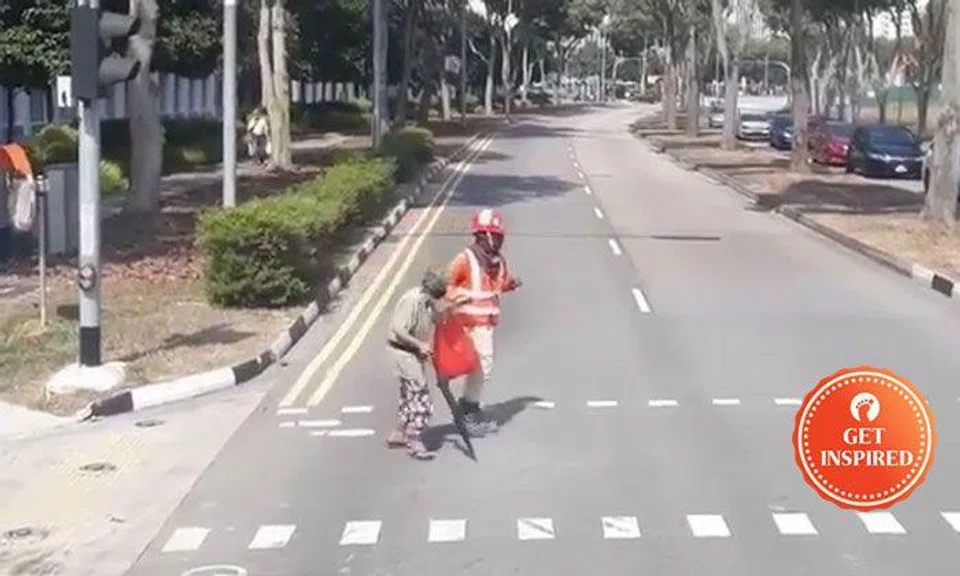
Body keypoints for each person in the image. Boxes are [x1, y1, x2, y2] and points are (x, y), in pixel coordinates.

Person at [445, 208, 522, 437]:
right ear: (482, 235)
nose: (499, 240)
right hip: (467, 324)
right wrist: (457, 295)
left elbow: (497, 285)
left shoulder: (496, 262)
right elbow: (445, 284)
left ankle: (467, 408)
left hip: (485, 324)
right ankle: (467, 412)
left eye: (500, 236)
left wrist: (510, 284)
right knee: (480, 366)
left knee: (480, 368)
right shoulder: (465, 259)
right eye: (495, 236)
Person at [385, 268, 449, 460]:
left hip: (413, 354)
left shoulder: (427, 302)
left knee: (408, 394)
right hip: (403, 352)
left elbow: (437, 320)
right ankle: (415, 440)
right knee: (420, 394)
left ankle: (400, 433)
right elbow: (398, 329)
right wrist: (419, 344)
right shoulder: (412, 300)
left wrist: (446, 309)